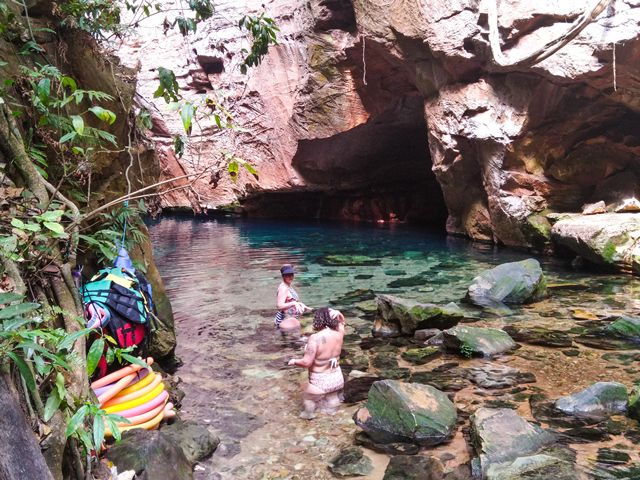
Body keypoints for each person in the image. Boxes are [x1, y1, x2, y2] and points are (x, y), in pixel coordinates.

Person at [288, 307, 345, 419]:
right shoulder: (339, 334)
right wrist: (339, 314)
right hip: (337, 378)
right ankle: (331, 414)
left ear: (318, 319)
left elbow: (306, 362)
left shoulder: (315, 338)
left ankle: (308, 415)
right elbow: (343, 322)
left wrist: (294, 361)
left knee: (308, 398)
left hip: (320, 381)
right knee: (332, 398)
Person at [275, 264, 309, 330]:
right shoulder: (283, 288)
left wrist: (301, 305)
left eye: (291, 274)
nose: (290, 277)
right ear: (283, 276)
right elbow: (279, 306)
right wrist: (293, 303)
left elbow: (292, 300)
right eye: (287, 275)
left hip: (290, 318)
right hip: (284, 321)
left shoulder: (288, 286)